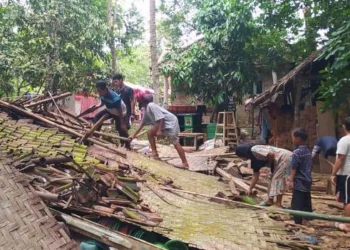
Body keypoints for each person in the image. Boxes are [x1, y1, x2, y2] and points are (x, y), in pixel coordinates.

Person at [129, 94, 189, 169]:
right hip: (163, 123)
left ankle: (185, 163)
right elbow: (141, 124)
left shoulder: (151, 105)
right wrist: (133, 136)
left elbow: (161, 118)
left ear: (144, 102)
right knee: (150, 133)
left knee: (175, 142)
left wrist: (159, 130)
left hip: (170, 122)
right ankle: (155, 154)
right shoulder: (147, 110)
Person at [93, 80, 130, 149]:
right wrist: (97, 106)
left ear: (105, 89)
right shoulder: (102, 94)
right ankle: (95, 136)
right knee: (96, 117)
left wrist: (122, 123)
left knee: (121, 129)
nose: (99, 93)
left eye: (100, 91)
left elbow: (120, 111)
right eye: (98, 91)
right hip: (110, 110)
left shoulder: (114, 97)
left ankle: (126, 146)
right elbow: (103, 102)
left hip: (120, 113)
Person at [289, 128, 313, 225]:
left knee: (297, 201)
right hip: (307, 179)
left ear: (298, 138)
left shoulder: (296, 152)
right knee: (306, 199)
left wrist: (290, 180)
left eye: (293, 138)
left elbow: (294, 168)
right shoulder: (308, 151)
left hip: (299, 180)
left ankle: (297, 221)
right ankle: (307, 218)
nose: (292, 140)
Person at [332, 117, 350, 232]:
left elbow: (341, 158)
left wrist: (333, 173)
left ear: (344, 126)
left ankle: (348, 225)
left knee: (347, 200)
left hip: (347, 174)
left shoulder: (345, 140)